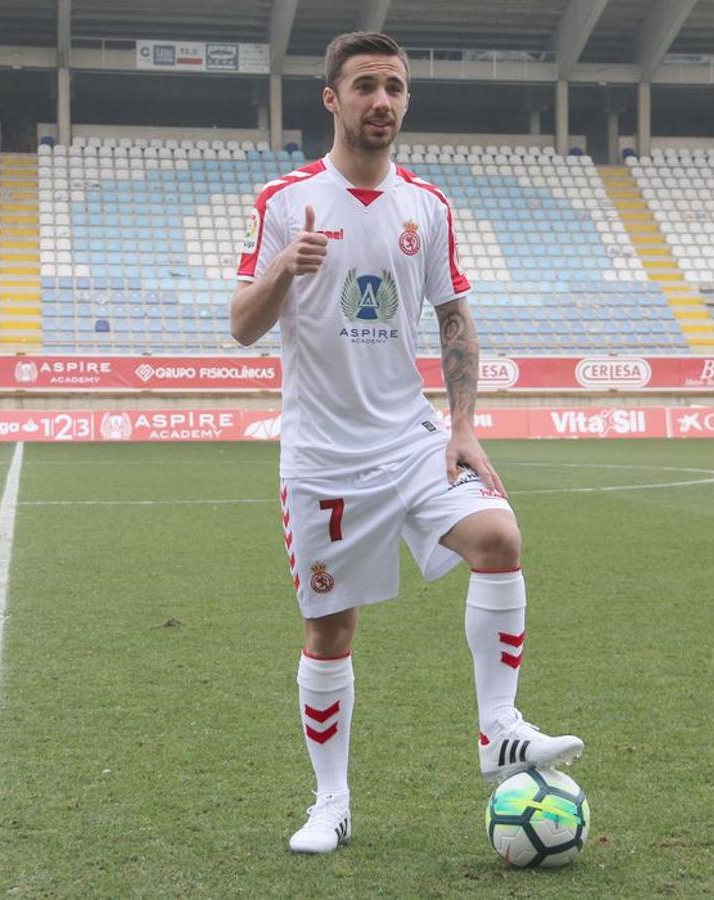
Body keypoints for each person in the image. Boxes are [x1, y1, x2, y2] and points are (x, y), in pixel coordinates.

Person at [230, 31, 583, 855]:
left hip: (413, 437)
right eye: (364, 86)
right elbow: (243, 326)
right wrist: (285, 266)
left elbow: (455, 317)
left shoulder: (428, 207)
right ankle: (331, 803)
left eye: (393, 87)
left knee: (498, 536)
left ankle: (498, 727)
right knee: (330, 633)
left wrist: (462, 426)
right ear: (332, 99)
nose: (380, 101)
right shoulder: (284, 200)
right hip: (322, 455)